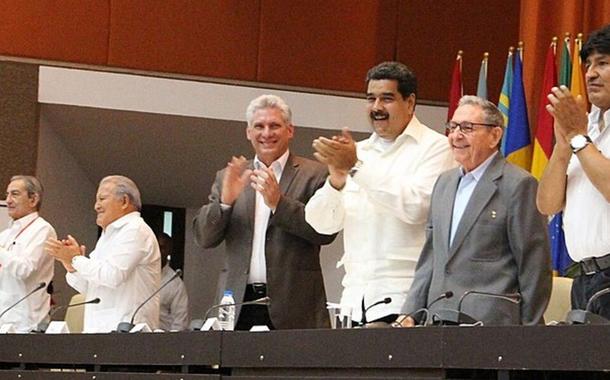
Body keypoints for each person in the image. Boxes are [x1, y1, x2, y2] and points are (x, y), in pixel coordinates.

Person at [305, 61, 455, 325]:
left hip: (405, 301)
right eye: (371, 99)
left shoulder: (437, 148)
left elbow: (416, 207)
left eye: (387, 99)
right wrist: (336, 181)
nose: (376, 108)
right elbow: (321, 225)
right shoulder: (357, 152)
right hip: (354, 299)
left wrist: (356, 168)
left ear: (410, 103)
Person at [400, 96, 551, 326]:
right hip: (438, 320)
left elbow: (534, 266)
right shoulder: (444, 183)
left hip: (492, 326)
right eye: (452, 127)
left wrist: (528, 334)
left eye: (467, 128)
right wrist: (411, 312)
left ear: (495, 135)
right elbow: (431, 257)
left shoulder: (518, 185)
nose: (456, 135)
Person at [193, 94, 336, 330]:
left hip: (294, 306)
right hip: (237, 304)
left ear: (290, 130)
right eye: (259, 126)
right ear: (248, 132)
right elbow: (204, 238)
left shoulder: (315, 174)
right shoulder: (230, 176)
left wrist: (278, 203)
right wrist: (226, 203)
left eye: (275, 126)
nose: (266, 133)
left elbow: (325, 233)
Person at [537, 24, 610, 319]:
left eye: (603, 63)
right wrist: (564, 145)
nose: (590, 73)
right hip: (583, 278)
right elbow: (547, 204)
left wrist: (578, 139)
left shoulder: (583, 135)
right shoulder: (585, 127)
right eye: (588, 64)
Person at [46, 175, 160, 333]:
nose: (96, 206)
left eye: (102, 199)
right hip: (99, 330)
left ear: (124, 201)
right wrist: (71, 266)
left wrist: (75, 259)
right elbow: (90, 287)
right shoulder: (108, 235)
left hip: (128, 332)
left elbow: (112, 276)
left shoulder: (135, 230)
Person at [0, 175, 56, 332]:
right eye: (7, 194)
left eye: (15, 194)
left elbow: (25, 270)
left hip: (26, 324)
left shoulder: (43, 230)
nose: (8, 200)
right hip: (3, 319)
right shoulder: (5, 234)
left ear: (33, 199)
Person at [157, 232, 189, 331]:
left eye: (162, 248)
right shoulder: (139, 274)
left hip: (161, 340)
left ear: (169, 251)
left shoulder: (175, 283)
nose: (157, 251)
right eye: (155, 247)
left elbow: (180, 323)